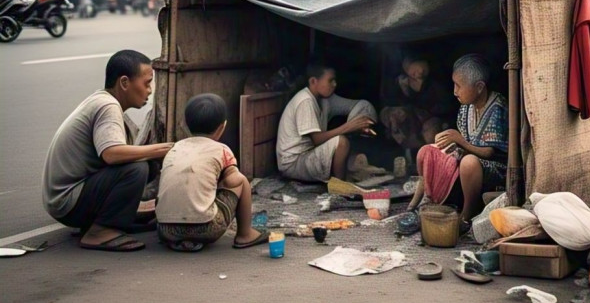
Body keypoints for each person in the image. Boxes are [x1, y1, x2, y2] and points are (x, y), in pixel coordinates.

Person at [42, 50, 173, 252]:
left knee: (143, 163)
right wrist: (160, 150)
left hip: (66, 198)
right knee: (137, 168)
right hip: (67, 202)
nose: (149, 90)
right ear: (124, 83)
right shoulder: (108, 106)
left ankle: (104, 220)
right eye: (146, 83)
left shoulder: (102, 101)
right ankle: (99, 231)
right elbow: (111, 154)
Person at [407, 54, 508, 231]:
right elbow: (463, 144)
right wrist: (449, 144)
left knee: (469, 163)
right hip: (468, 158)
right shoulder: (465, 107)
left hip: (496, 167)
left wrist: (460, 141)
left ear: (479, 87)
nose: (455, 91)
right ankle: (426, 201)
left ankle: (467, 214)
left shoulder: (497, 107)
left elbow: (489, 153)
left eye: (459, 86)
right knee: (427, 151)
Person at [156, 94, 267, 253]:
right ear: (222, 127)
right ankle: (245, 234)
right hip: (206, 228)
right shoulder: (221, 149)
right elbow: (232, 181)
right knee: (241, 180)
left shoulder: (174, 148)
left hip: (165, 230)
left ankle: (179, 239)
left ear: (186, 125)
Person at [276, 62, 377, 182]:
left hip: (310, 155)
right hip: (294, 163)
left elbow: (360, 105)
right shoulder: (305, 101)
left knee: (352, 149)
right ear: (313, 81)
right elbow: (316, 140)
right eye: (330, 81)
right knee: (341, 142)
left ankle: (352, 176)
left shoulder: (326, 100)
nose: (335, 84)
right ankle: (339, 186)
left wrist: (359, 123)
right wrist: (349, 127)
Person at [379, 54, 454, 154]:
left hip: (434, 119)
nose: (418, 74)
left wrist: (421, 94)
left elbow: (445, 107)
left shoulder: (435, 82)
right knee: (395, 116)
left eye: (419, 70)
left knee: (429, 134)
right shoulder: (402, 83)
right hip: (413, 117)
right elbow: (390, 101)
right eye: (413, 74)